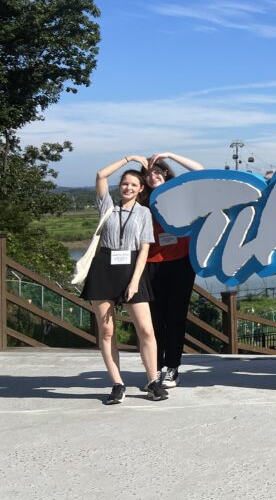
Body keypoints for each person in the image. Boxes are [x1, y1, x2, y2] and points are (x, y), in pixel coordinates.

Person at [80, 156, 165, 404]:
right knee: (107, 331)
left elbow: (145, 249)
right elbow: (100, 174)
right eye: (125, 183)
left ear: (140, 190)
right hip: (104, 269)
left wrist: (135, 281)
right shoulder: (107, 206)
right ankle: (117, 383)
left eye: (134, 185)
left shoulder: (144, 213)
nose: (128, 188)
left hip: (131, 270)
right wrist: (129, 158)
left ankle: (153, 381)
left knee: (146, 330)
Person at [140, 152, 203, 389]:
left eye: (157, 171)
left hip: (181, 262)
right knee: (154, 318)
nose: (152, 176)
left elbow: (199, 171)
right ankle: (154, 367)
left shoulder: (180, 193)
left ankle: (172, 367)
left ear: (166, 172)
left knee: (176, 316)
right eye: (147, 174)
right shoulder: (142, 200)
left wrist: (169, 155)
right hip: (150, 263)